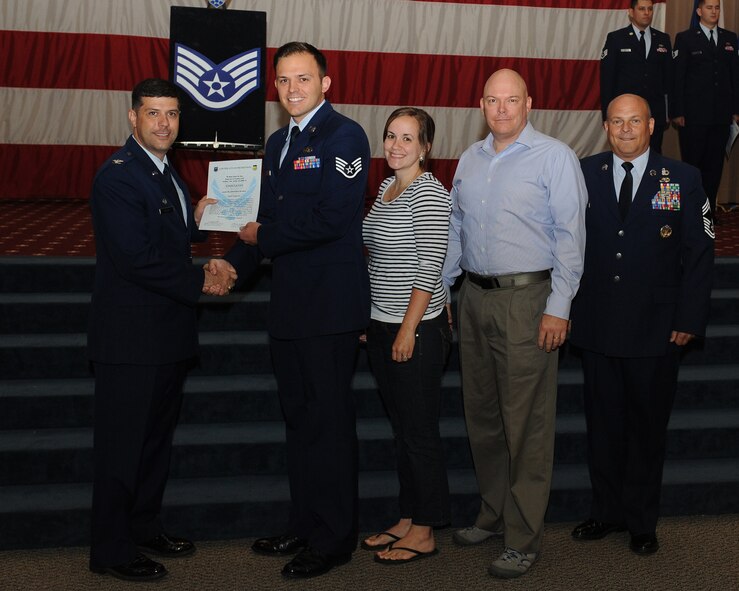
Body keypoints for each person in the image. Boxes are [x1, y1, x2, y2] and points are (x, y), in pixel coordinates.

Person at [211, 42, 371, 579]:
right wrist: (233, 262)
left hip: (329, 308)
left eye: (303, 78)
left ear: (326, 83)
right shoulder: (278, 142)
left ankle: (333, 539)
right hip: (289, 308)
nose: (292, 88)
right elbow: (258, 220)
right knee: (300, 422)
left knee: (328, 423)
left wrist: (265, 237)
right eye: (283, 81)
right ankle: (304, 523)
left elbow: (332, 217)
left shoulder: (345, 136)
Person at [88, 78, 236, 582]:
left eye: (171, 114)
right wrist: (203, 277)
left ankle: (144, 527)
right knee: (122, 447)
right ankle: (109, 549)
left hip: (168, 335)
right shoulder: (119, 176)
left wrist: (195, 223)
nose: (164, 123)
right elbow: (136, 260)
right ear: (133, 117)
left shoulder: (168, 172)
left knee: (153, 443)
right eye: (153, 114)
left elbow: (164, 237)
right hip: (130, 341)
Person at [441, 69, 587, 579]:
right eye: (492, 101)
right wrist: (445, 290)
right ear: (481, 105)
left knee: (526, 422)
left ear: (530, 103)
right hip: (475, 299)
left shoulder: (554, 157)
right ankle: (493, 512)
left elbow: (571, 238)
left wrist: (559, 306)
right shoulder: (470, 160)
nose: (501, 110)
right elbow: (457, 230)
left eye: (511, 100)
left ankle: (524, 536)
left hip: (530, 301)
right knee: (481, 415)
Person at [570, 93, 714, 555]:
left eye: (635, 121)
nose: (626, 129)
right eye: (617, 122)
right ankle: (606, 512)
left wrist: (689, 316)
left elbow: (699, 252)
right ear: (606, 126)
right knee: (603, 426)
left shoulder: (684, 178)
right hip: (597, 324)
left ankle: (641, 520)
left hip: (657, 327)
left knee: (647, 430)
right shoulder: (583, 172)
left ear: (652, 125)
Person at [361, 107, 452, 564]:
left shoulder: (429, 194)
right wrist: (374, 319)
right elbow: (376, 257)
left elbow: (429, 267)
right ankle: (407, 516)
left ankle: (425, 530)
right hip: (382, 324)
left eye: (407, 139)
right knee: (402, 431)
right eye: (391, 136)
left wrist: (407, 329)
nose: (396, 145)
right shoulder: (386, 187)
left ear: (426, 147)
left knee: (419, 434)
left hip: (416, 329)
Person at [672, 0, 739, 223]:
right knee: (693, 167)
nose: (714, 11)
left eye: (717, 8)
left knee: (714, 167)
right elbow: (678, 78)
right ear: (699, 11)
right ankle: (691, 213)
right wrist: (677, 111)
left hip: (720, 116)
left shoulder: (730, 38)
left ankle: (707, 212)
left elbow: (735, 77)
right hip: (693, 117)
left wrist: (735, 110)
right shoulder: (685, 38)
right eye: (709, 8)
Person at [600, 0, 673, 153]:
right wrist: (607, 114)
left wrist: (669, 112)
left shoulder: (663, 39)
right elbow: (607, 80)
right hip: (625, 114)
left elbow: (668, 80)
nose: (646, 13)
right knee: (624, 154)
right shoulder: (616, 38)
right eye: (641, 9)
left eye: (650, 9)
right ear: (631, 12)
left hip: (654, 113)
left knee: (653, 155)